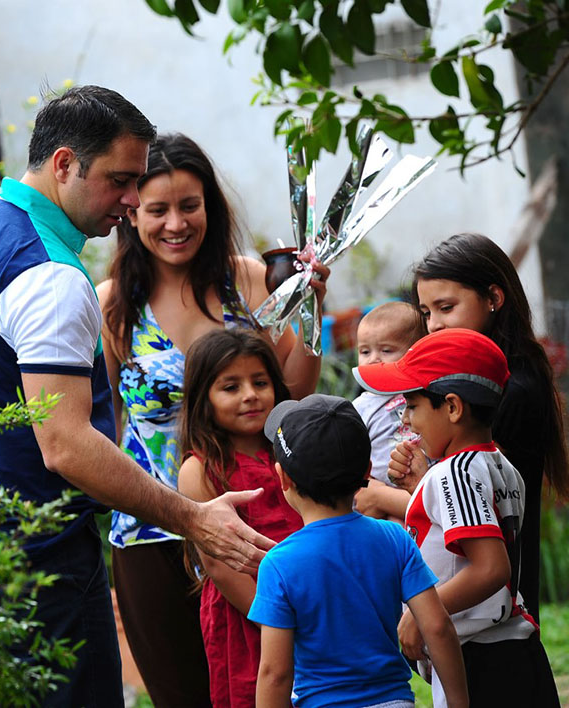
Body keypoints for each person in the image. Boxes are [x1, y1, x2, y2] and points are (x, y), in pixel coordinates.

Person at [0, 86, 278, 708]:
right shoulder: (51, 277)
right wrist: (193, 518)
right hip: (40, 559)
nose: (132, 200)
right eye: (120, 181)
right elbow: (65, 444)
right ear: (64, 164)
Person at [96, 133, 328, 706]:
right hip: (150, 536)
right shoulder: (110, 306)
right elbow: (97, 423)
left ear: (210, 207)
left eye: (189, 206)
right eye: (157, 210)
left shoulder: (246, 281)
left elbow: (293, 389)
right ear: (132, 214)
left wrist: (314, 306)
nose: (175, 223)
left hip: (256, 527)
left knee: (272, 690)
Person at [356, 328, 561, 708]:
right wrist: (421, 484)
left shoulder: (455, 473)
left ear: (452, 407)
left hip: (482, 662)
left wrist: (422, 614)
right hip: (512, 654)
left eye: (413, 406)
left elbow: (489, 569)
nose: (406, 419)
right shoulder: (497, 464)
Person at [391, 232, 569, 624]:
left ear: (494, 298)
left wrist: (401, 491)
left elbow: (476, 505)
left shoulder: (511, 391)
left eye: (446, 307)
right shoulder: (499, 382)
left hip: (494, 610)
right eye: (426, 313)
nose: (434, 325)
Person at [247, 392, 467, 708]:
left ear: (282, 478)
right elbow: (438, 627)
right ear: (367, 471)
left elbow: (274, 674)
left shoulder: (279, 564)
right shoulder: (395, 539)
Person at [176, 329, 303, 708]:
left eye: (260, 382)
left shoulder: (296, 451)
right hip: (249, 610)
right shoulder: (198, 471)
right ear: (205, 399)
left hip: (313, 595)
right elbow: (217, 562)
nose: (250, 394)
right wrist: (277, 622)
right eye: (231, 387)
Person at [351, 301, 427, 523]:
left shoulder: (425, 394)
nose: (374, 359)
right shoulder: (361, 406)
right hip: (377, 496)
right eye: (365, 351)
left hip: (421, 485)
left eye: (386, 350)